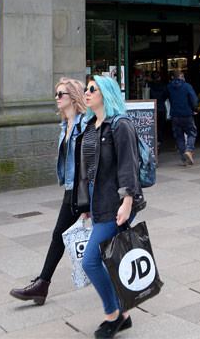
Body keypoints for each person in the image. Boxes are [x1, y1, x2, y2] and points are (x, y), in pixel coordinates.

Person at [9, 78, 87, 305]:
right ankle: (42, 285)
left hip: (82, 192)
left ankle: (42, 284)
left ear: (73, 97)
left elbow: (91, 163)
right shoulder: (66, 125)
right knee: (61, 236)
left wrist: (88, 202)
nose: (56, 98)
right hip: (72, 189)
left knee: (71, 237)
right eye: (56, 93)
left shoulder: (85, 124)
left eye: (60, 94)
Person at [78, 75, 141, 338]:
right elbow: (89, 169)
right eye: (86, 89)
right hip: (98, 201)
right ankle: (123, 314)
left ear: (106, 93)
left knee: (91, 261)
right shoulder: (92, 125)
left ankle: (112, 314)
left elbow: (129, 165)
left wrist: (127, 201)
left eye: (92, 89)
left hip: (115, 203)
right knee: (106, 258)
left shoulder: (120, 125)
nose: (87, 92)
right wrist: (85, 203)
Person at [165, 70, 198, 165]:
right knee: (192, 133)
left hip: (175, 115)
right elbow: (194, 99)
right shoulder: (187, 86)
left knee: (179, 137)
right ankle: (189, 150)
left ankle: (184, 159)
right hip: (187, 114)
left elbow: (164, 98)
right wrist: (195, 109)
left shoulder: (169, 87)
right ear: (181, 76)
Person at [148, 71, 167, 148]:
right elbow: (166, 95)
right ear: (159, 77)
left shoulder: (149, 86)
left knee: (153, 126)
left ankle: (154, 141)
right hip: (161, 107)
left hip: (152, 107)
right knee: (161, 126)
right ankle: (160, 140)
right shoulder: (164, 86)